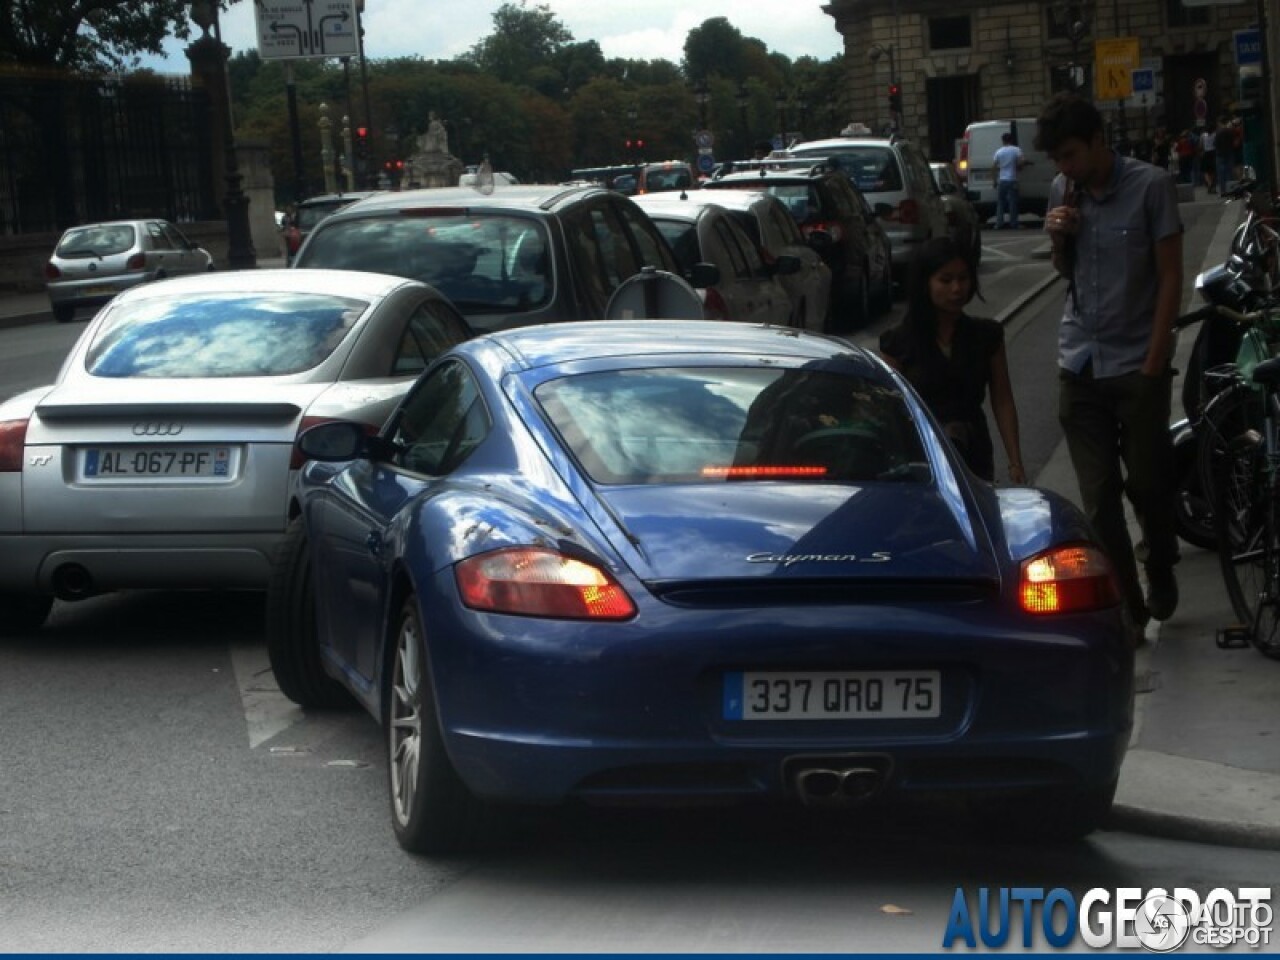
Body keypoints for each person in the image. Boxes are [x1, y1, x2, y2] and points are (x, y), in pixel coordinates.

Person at [1037, 93, 1183, 642]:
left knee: (1148, 484)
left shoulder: (1151, 187)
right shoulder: (1063, 192)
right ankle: (1129, 606)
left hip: (1135, 360)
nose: (1065, 169)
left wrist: (1154, 359)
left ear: (1099, 140)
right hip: (1079, 361)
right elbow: (1063, 272)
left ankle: (1161, 560)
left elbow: (1170, 275)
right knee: (1099, 498)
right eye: (1057, 160)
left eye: (1071, 155)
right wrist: (1058, 239)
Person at [879, 236, 1026, 484]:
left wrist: (1015, 462)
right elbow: (892, 412)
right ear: (925, 283)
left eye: (963, 279)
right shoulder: (898, 342)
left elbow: (1002, 399)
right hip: (923, 457)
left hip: (975, 453)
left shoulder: (986, 335)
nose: (957, 289)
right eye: (945, 280)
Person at [991, 132, 1028, 229]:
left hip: (1002, 180)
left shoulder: (998, 152)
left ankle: (998, 223)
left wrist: (994, 181)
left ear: (1003, 141)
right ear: (1011, 140)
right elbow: (1022, 161)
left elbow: (994, 167)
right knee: (1013, 202)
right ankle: (1014, 223)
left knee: (1000, 202)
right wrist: (1019, 167)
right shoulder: (1016, 150)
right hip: (1012, 179)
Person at [1213, 115, 1235, 195]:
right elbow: (1233, 141)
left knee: (1221, 174)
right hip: (1229, 153)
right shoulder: (1230, 131)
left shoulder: (1218, 132)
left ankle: (1223, 191)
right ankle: (1231, 189)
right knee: (1229, 172)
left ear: (1220, 123)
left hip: (1220, 155)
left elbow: (1215, 143)